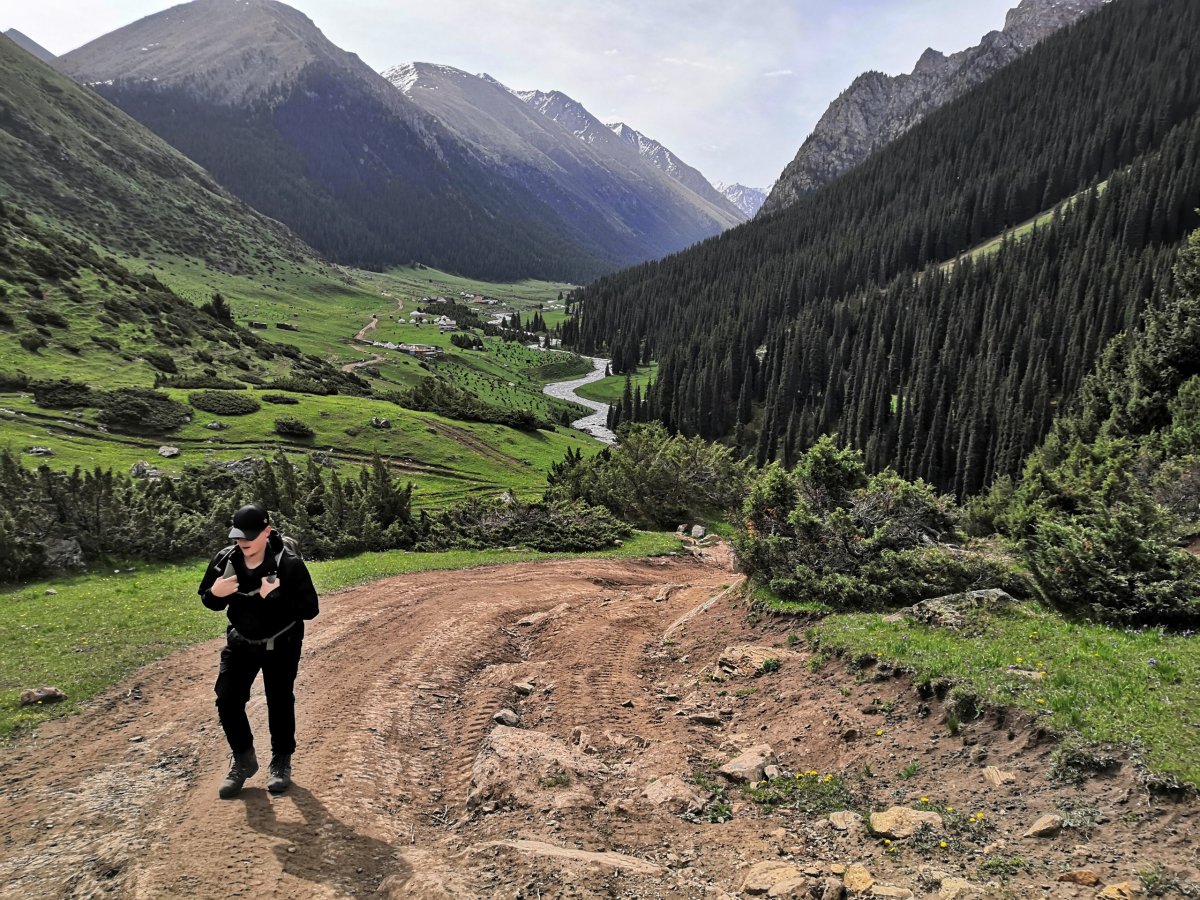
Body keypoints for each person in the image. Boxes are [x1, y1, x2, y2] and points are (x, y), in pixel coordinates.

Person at [198, 503, 319, 799]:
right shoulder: (225, 560)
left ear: (267, 531)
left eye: (249, 536)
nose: (242, 542)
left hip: (282, 643)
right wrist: (215, 593)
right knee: (227, 699)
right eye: (238, 536)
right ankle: (243, 759)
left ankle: (281, 761)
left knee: (279, 700)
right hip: (240, 642)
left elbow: (310, 609)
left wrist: (276, 596)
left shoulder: (288, 563)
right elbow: (209, 600)